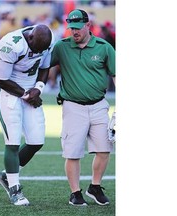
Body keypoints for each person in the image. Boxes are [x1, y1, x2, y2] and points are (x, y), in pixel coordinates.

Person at [50, 9, 115, 206]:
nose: (74, 32)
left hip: (99, 106)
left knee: (104, 150)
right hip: (73, 106)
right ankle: (75, 192)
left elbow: (116, 75)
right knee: (72, 152)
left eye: (78, 28)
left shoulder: (104, 47)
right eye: (72, 28)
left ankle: (95, 187)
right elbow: (44, 66)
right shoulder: (61, 47)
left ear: (88, 25)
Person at [0, 24, 54, 206]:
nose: (40, 52)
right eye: (37, 49)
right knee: (12, 141)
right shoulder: (11, 44)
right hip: (9, 93)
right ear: (30, 39)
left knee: (36, 141)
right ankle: (14, 188)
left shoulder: (46, 43)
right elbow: (2, 80)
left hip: (30, 91)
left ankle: (5, 175)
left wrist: (38, 88)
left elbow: (45, 67)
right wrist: (27, 95)